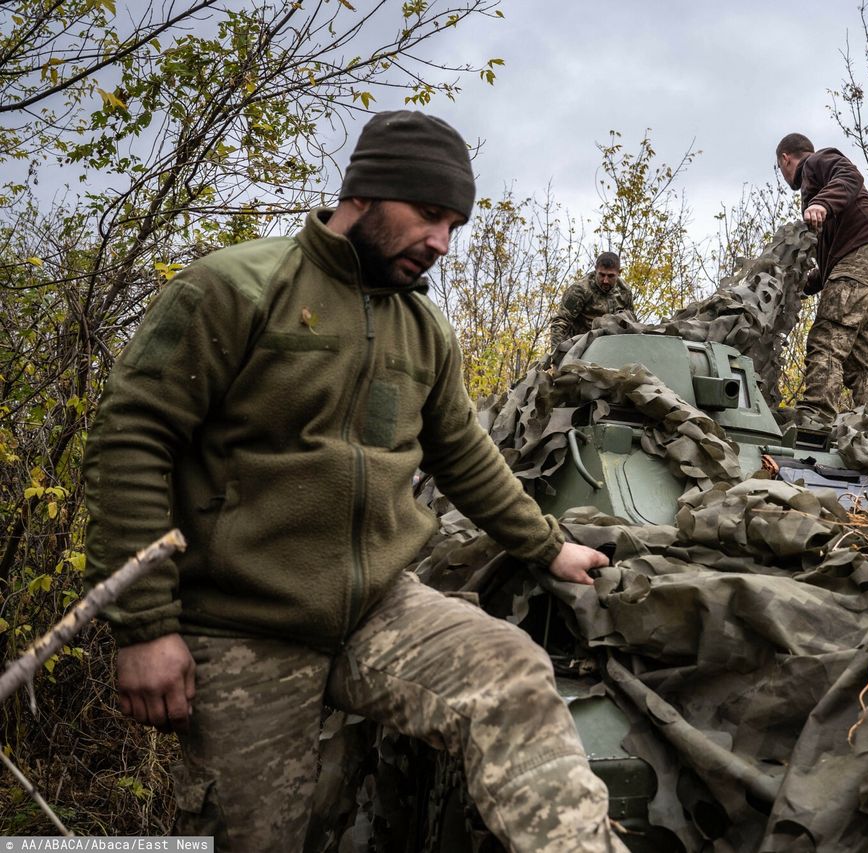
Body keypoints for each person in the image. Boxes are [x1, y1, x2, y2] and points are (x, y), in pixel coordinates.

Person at [82, 111, 622, 852]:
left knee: (512, 675)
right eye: (429, 214)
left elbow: (463, 452)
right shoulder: (237, 288)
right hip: (243, 626)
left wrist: (550, 546)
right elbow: (131, 439)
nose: (441, 242)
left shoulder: (423, 328)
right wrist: (144, 626)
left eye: (454, 224)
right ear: (364, 193)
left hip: (378, 607)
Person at [775, 133, 868, 425]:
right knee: (863, 359)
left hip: (862, 258)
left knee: (827, 338)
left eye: (780, 168)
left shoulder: (816, 162)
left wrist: (822, 203)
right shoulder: (823, 195)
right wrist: (801, 285)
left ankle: (816, 415)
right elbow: (833, 265)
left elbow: (849, 174)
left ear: (785, 158)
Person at [548, 250, 634, 349]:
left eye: (610, 276)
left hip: (612, 346)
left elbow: (630, 323)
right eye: (601, 275)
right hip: (580, 346)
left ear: (619, 273)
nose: (605, 280)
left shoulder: (624, 291)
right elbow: (560, 322)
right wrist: (556, 356)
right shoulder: (580, 290)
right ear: (595, 269)